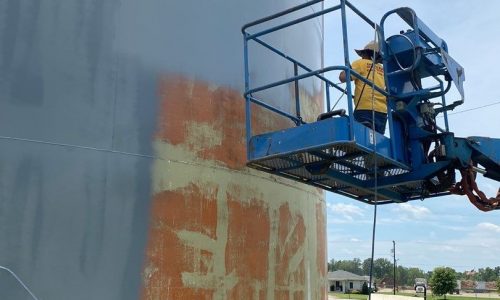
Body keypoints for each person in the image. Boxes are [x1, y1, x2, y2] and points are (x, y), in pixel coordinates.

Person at [339, 41, 387, 134]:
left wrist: (346, 69)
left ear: (366, 53)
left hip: (364, 108)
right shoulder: (382, 69)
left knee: (360, 139)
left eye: (362, 54)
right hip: (382, 112)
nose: (361, 56)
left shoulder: (360, 63)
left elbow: (342, 78)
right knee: (376, 142)